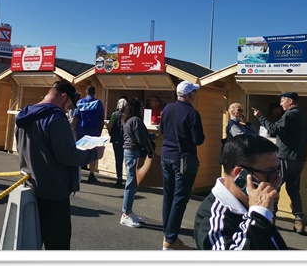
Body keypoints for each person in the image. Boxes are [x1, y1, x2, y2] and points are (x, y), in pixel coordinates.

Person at [15, 80, 105, 250]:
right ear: (63, 97)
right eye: (69, 104)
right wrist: (94, 154)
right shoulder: (55, 117)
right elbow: (68, 156)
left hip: (30, 186)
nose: (67, 109)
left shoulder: (25, 114)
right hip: (53, 192)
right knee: (58, 246)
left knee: (30, 243)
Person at [193, 134, 287, 250]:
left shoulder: (250, 202)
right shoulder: (211, 218)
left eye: (278, 170)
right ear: (240, 174)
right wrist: (259, 217)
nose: (277, 179)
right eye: (269, 172)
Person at [252, 91, 307, 234]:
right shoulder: (303, 116)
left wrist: (260, 116)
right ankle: (299, 221)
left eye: (282, 100)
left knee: (274, 187)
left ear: (290, 101)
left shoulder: (289, 115)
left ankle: (270, 217)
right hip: (300, 158)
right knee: (293, 189)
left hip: (285, 157)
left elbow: (273, 129)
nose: (280, 103)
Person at [158, 81, 205, 250]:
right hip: (183, 159)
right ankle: (170, 240)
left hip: (166, 156)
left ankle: (167, 234)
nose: (196, 95)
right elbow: (198, 140)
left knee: (168, 196)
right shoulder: (193, 113)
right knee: (179, 199)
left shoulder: (168, 108)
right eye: (194, 92)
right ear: (189, 95)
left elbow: (161, 129)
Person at [120, 98, 154, 228]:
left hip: (128, 151)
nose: (142, 109)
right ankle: (126, 213)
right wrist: (150, 139)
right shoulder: (136, 120)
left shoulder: (127, 120)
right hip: (134, 152)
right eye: (141, 107)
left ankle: (129, 211)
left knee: (132, 182)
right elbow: (141, 139)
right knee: (131, 183)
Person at [72, 85, 105, 184]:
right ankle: (91, 174)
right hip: (94, 131)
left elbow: (75, 117)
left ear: (86, 92)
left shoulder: (80, 102)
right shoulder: (98, 103)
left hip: (81, 130)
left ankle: (77, 173)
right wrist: (99, 131)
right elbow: (101, 119)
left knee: (79, 151)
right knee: (93, 152)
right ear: (94, 92)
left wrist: (75, 128)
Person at [107, 97, 127, 188]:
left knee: (118, 159)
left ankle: (119, 178)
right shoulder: (127, 115)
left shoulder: (114, 115)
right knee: (127, 160)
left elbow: (110, 126)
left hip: (116, 140)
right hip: (126, 139)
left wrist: (110, 132)